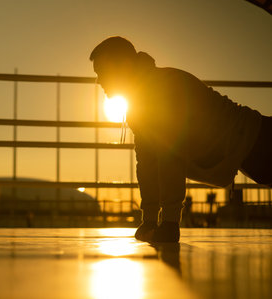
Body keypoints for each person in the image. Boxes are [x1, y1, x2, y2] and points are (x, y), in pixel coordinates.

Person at [89, 36, 272, 242]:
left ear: (124, 65)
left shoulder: (159, 90)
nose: (99, 81)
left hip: (261, 140)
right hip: (251, 147)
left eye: (102, 72)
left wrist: (169, 222)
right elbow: (148, 163)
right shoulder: (138, 103)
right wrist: (148, 219)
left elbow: (170, 157)